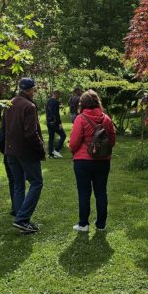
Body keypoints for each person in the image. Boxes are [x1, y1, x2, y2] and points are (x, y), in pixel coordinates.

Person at [68, 89, 116, 232]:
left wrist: (74, 150)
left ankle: (83, 224)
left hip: (83, 161)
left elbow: (74, 143)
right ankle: (101, 225)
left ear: (83, 103)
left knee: (84, 193)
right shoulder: (106, 119)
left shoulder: (80, 118)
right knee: (101, 192)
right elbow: (112, 140)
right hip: (102, 161)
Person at [4, 77, 46, 234]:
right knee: (36, 182)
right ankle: (22, 219)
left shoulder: (9, 103)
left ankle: (20, 218)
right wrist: (41, 149)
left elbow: (4, 129)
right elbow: (30, 133)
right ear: (29, 90)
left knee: (18, 184)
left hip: (11, 151)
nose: (34, 92)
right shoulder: (29, 106)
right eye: (34, 89)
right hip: (25, 152)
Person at [45, 90, 65, 159]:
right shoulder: (56, 102)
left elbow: (47, 112)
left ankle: (50, 154)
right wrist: (59, 123)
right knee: (63, 135)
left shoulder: (48, 101)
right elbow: (56, 114)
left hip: (48, 122)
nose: (59, 97)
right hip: (54, 123)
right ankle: (56, 150)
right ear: (56, 94)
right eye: (59, 95)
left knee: (51, 138)